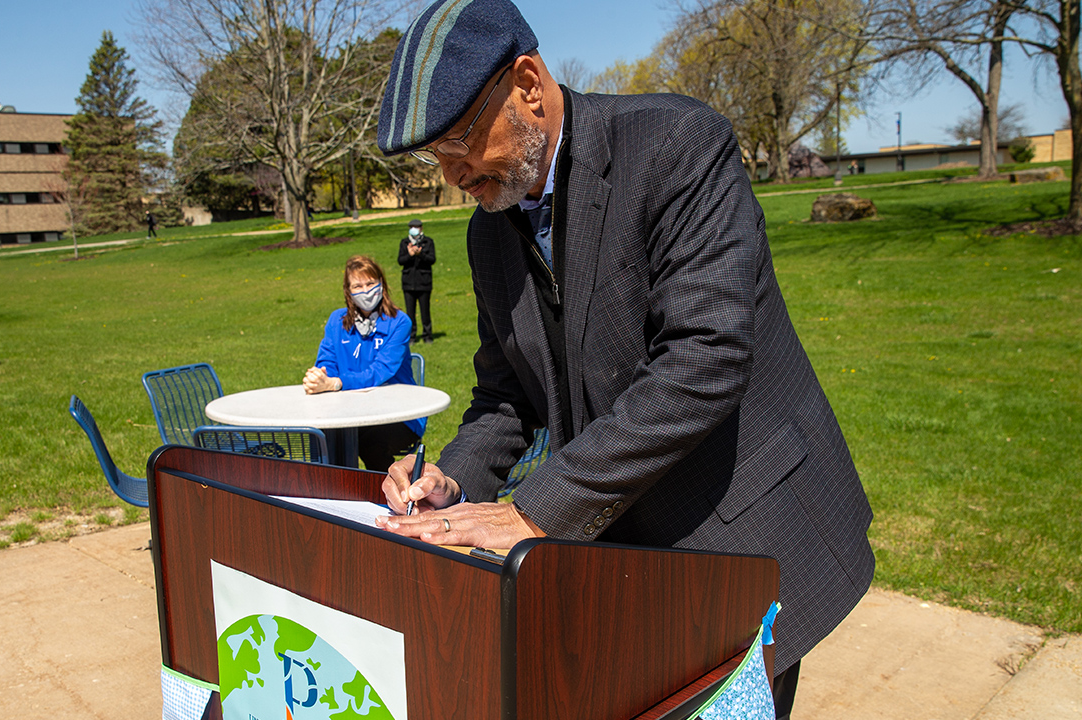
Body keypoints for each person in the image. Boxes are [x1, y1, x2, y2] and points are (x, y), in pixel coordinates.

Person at [370, 1, 874, 716]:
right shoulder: (488, 232)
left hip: (738, 540)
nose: (452, 174)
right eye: (434, 158)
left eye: (459, 142)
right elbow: (507, 394)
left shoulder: (676, 144)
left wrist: (533, 510)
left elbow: (705, 359)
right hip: (624, 563)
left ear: (529, 83)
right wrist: (452, 479)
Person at [303, 255, 424, 471]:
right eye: (357, 285)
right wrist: (319, 378)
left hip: (398, 414)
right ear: (348, 291)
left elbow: (380, 372)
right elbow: (327, 361)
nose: (365, 290)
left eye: (370, 283)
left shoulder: (399, 322)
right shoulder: (336, 321)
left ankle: (391, 495)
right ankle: (334, 496)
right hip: (347, 412)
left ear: (381, 284)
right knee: (322, 437)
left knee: (367, 441)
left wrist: (336, 383)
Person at [397, 218, 436, 343]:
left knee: (425, 311)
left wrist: (420, 254)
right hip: (408, 283)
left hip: (424, 282)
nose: (414, 229)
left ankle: (427, 335)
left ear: (421, 228)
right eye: (412, 226)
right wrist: (410, 254)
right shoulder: (404, 243)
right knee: (410, 313)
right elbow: (400, 261)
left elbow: (432, 259)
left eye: (416, 227)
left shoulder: (428, 242)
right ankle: (412, 336)